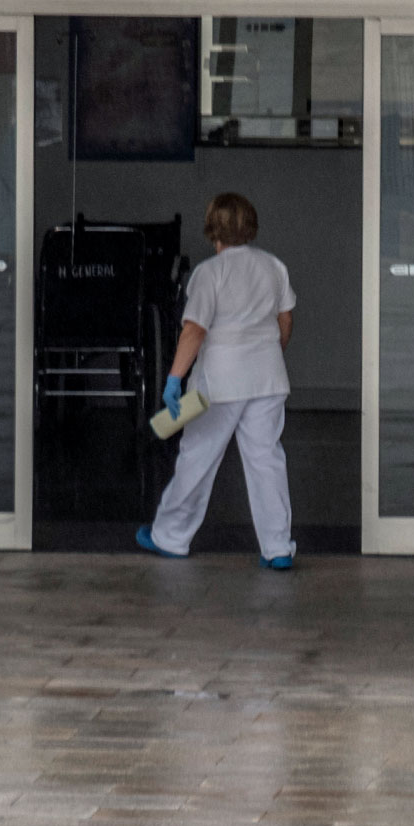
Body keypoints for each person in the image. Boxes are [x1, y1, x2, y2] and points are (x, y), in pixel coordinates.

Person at [137, 192, 298, 569]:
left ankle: (171, 536)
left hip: (220, 382)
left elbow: (194, 330)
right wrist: (270, 354)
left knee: (198, 459)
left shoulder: (210, 273)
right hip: (268, 379)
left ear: (213, 230)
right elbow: (285, 320)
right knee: (267, 462)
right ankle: (277, 547)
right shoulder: (274, 266)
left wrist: (174, 380)